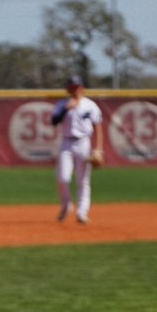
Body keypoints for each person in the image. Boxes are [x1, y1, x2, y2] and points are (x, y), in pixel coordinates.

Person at [51, 75, 105, 224]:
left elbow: (98, 126)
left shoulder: (90, 105)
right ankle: (66, 204)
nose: (75, 89)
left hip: (83, 142)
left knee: (83, 180)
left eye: (77, 86)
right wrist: (65, 109)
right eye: (72, 86)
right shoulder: (62, 104)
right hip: (66, 142)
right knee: (62, 179)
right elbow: (54, 121)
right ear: (68, 89)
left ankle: (82, 212)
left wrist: (98, 148)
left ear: (82, 88)